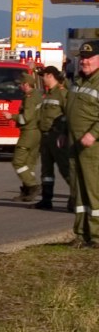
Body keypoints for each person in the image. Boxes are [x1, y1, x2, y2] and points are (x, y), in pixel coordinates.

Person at [65, 40, 99, 247]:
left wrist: (94, 134)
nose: (84, 62)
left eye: (89, 58)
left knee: (93, 190)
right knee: (77, 189)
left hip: (92, 148)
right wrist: (62, 132)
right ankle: (80, 233)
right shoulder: (77, 81)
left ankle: (96, 236)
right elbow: (69, 111)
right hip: (73, 143)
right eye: (82, 58)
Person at [35, 66, 71, 212]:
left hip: (57, 136)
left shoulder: (62, 94)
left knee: (66, 169)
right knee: (46, 171)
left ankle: (76, 197)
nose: (42, 78)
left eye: (43, 76)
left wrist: (63, 133)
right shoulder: (47, 95)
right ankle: (46, 199)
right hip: (45, 137)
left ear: (50, 75)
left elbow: (69, 114)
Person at [11, 72, 43, 202]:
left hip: (29, 133)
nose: (20, 87)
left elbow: (26, 118)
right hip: (36, 132)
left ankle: (32, 185)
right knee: (29, 164)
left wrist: (11, 116)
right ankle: (27, 191)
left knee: (18, 161)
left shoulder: (29, 97)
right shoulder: (37, 95)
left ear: (26, 84)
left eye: (21, 85)